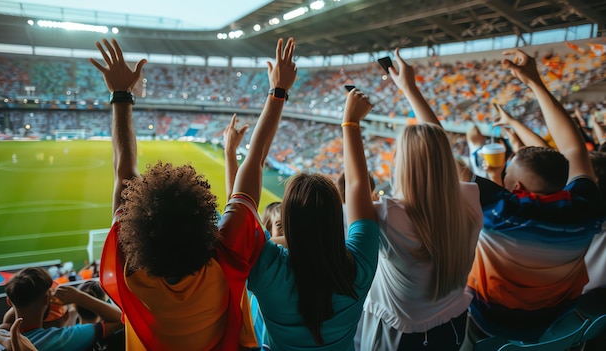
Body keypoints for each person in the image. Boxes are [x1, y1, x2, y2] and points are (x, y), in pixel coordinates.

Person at [92, 37, 294, 350]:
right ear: (206, 218)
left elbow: (124, 172)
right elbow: (254, 159)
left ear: (138, 233)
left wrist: (121, 96)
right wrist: (278, 91)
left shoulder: (130, 269)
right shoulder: (226, 261)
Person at [463, 49, 606, 347]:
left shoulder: (500, 213)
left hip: (489, 326)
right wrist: (536, 83)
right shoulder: (585, 207)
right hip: (555, 324)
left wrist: (534, 80)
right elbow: (574, 150)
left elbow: (437, 162)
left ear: (514, 189)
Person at [355, 48, 483, 351]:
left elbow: (356, 185)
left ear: (403, 167)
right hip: (453, 325)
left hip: (399, 337)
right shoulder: (469, 200)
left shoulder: (390, 216)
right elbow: (439, 150)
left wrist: (351, 126)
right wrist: (409, 90)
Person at [248, 87, 380, 350]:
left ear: (288, 220)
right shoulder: (359, 266)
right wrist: (350, 123)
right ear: (335, 216)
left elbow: (251, 168)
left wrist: (278, 92)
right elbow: (356, 186)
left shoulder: (266, 267)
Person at [0, 267, 122, 351]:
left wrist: (19, 297)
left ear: (9, 301)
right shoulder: (61, 339)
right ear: (46, 299)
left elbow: (10, 320)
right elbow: (119, 319)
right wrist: (79, 297)